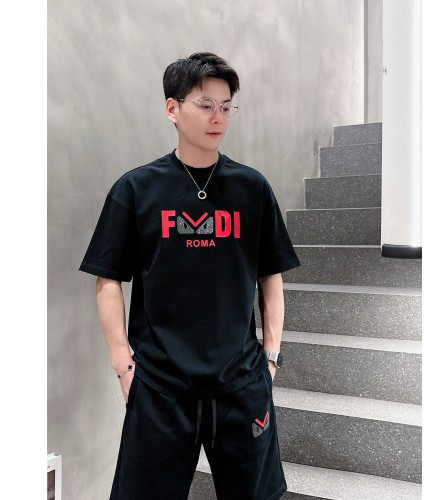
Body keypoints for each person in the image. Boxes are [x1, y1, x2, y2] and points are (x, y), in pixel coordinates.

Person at [79, 52, 300, 500]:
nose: (218, 117)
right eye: (205, 105)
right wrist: (123, 365)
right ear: (172, 108)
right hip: (160, 388)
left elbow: (270, 278)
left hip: (241, 384)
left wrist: (271, 358)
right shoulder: (136, 189)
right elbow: (107, 279)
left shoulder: (252, 188)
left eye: (226, 106)